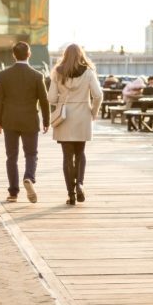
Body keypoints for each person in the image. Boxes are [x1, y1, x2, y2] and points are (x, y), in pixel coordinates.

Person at [0, 41, 50, 203]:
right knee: (31, 154)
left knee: (11, 157)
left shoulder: (4, 75)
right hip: (30, 120)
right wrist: (46, 121)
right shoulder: (37, 76)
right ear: (29, 54)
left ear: (13, 55)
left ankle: (13, 193)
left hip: (9, 120)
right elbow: (44, 101)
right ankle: (29, 178)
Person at [48, 44, 103, 206]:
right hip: (82, 116)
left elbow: (51, 98)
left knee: (67, 156)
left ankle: (71, 195)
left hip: (64, 117)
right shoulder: (88, 72)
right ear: (81, 55)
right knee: (80, 153)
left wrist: (62, 102)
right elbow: (98, 95)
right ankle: (80, 183)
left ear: (64, 55)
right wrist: (93, 112)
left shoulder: (58, 72)